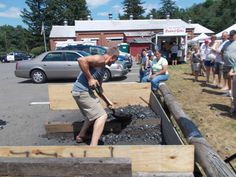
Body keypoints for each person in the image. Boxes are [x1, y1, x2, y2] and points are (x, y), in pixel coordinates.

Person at [71, 47, 119, 146]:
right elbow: (81, 60)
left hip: (82, 92)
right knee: (102, 116)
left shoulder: (103, 69)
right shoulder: (100, 59)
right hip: (82, 91)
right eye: (115, 60)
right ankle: (93, 146)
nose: (114, 63)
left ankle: (81, 136)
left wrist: (108, 102)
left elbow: (99, 89)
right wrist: (90, 79)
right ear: (113, 57)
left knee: (91, 115)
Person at [222, 30, 236, 97]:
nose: (230, 36)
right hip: (227, 64)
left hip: (234, 65)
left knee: (234, 80)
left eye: (232, 35)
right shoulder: (226, 43)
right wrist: (223, 58)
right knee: (228, 78)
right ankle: (230, 92)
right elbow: (222, 51)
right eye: (230, 35)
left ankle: (234, 93)